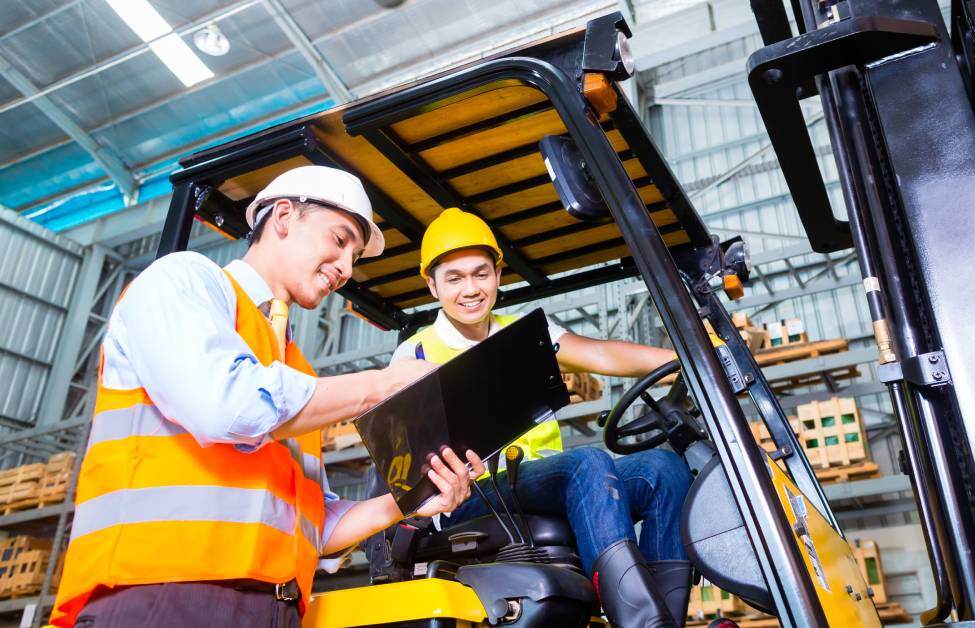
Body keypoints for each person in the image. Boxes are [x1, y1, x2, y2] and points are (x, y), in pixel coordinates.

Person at [51, 166, 482, 628]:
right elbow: (224, 405)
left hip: (273, 609)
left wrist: (408, 501)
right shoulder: (183, 282)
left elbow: (313, 526)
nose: (346, 267)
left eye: (355, 256)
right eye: (339, 240)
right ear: (282, 217)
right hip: (162, 597)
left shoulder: (297, 372)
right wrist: (384, 383)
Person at [370, 208, 693, 628]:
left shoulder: (524, 330)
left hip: (545, 482)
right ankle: (638, 620)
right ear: (432, 284)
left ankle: (665, 618)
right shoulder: (414, 355)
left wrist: (686, 358)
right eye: (454, 278)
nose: (471, 289)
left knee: (663, 468)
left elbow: (599, 353)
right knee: (588, 463)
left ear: (498, 274)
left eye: (481, 274)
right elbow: (406, 460)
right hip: (472, 495)